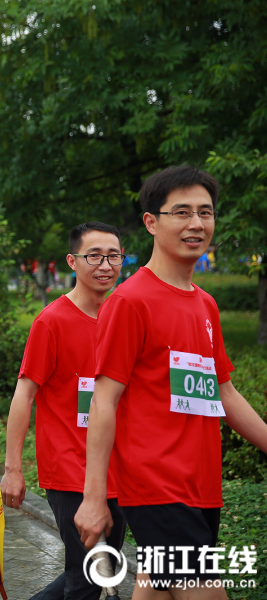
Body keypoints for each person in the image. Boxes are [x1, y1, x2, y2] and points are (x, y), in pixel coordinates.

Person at [74, 166, 267, 597]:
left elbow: (223, 391)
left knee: (156, 588)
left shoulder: (207, 305)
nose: (196, 224)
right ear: (151, 222)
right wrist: (93, 498)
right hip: (155, 484)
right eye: (181, 212)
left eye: (206, 212)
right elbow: (103, 402)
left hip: (201, 485)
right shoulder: (130, 301)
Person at [1, 222, 127, 600]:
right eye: (94, 256)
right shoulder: (52, 321)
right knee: (89, 577)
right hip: (70, 470)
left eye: (114, 256)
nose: (105, 265)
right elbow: (23, 395)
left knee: (91, 570)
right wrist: (12, 468)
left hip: (118, 469)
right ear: (73, 261)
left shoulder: (125, 318)